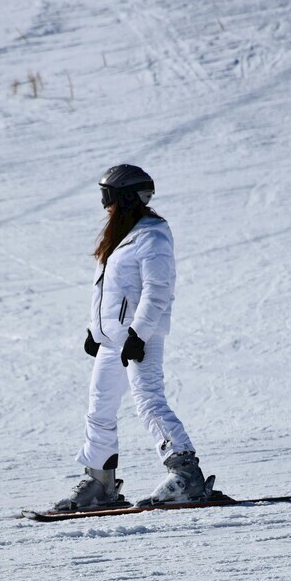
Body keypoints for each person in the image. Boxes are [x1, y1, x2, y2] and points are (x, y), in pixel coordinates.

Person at [54, 164, 213, 511]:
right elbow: (106, 292)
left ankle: (187, 474)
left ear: (125, 197)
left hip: (139, 337)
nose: (105, 205)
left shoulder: (151, 235)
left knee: (149, 400)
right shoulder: (120, 237)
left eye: (108, 197)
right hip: (112, 339)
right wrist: (93, 331)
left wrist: (139, 334)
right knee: (99, 408)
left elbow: (158, 291)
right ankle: (100, 483)